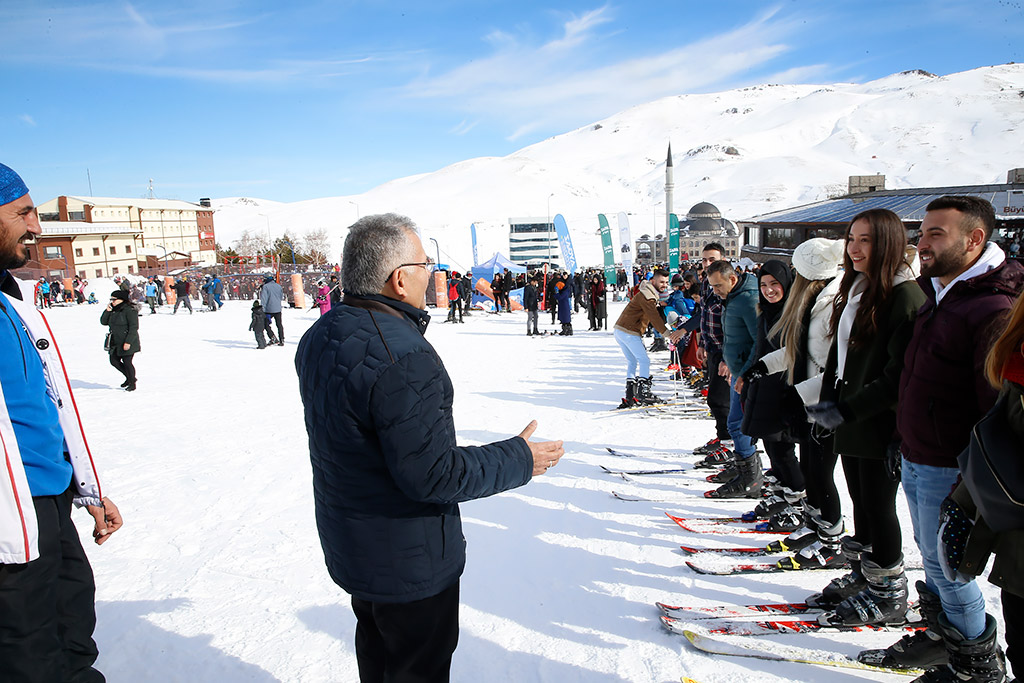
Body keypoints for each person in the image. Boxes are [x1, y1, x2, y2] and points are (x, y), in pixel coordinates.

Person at [294, 213, 564, 683]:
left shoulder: (323, 332)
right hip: (406, 556)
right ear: (400, 280)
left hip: (358, 545)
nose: (431, 272)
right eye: (426, 263)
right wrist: (519, 458)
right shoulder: (403, 354)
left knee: (378, 658)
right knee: (417, 668)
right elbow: (432, 474)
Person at [859, 196, 1023, 679]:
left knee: (950, 573)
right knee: (934, 566)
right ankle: (945, 642)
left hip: (950, 468)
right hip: (918, 454)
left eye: (936, 234)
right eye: (922, 232)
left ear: (974, 240)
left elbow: (994, 411)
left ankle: (974, 664)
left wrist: (967, 488)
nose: (922, 243)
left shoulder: (990, 307)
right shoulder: (942, 294)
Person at [0, 162, 123, 682]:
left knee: (74, 631)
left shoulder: (13, 301)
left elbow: (48, 409)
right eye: (24, 213)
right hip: (9, 518)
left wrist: (88, 491)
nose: (37, 227)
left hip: (50, 503)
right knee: (29, 658)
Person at [807, 208, 926, 627]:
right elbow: (840, 359)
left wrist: (845, 409)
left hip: (879, 419)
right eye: (852, 239)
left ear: (889, 243)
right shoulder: (859, 286)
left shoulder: (904, 294)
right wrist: (826, 406)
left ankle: (890, 593)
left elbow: (898, 375)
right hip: (850, 414)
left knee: (879, 504)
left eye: (866, 241)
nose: (855, 249)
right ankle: (865, 577)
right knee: (861, 500)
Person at [749, 239, 847, 567]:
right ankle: (817, 526)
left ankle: (831, 540)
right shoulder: (811, 301)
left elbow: (834, 367)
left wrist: (798, 394)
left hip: (826, 405)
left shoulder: (833, 303)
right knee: (810, 469)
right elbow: (798, 350)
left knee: (821, 474)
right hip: (809, 402)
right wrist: (764, 365)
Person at [703, 260, 762, 498]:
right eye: (712, 287)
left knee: (737, 424)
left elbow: (758, 340)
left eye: (718, 286)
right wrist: (728, 361)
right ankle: (744, 470)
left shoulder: (747, 300)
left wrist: (745, 372)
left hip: (747, 373)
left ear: (733, 279)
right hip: (737, 368)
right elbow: (734, 336)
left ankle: (750, 478)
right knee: (736, 423)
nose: (714, 291)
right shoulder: (732, 298)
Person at [612, 269, 684, 408]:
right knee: (644, 360)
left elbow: (654, 313)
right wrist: (668, 334)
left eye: (665, 282)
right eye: (661, 282)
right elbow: (654, 318)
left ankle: (630, 394)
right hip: (629, 331)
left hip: (621, 330)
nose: (664, 285)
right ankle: (643, 392)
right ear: (653, 281)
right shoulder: (648, 295)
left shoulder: (648, 293)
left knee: (632, 361)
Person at [693, 243, 733, 464]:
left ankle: (729, 445)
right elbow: (704, 315)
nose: (708, 264)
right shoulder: (706, 284)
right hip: (713, 348)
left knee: (721, 400)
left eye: (712, 260)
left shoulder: (727, 284)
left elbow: (732, 323)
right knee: (715, 400)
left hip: (726, 351)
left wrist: (727, 357)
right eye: (705, 260)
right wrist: (701, 344)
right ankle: (722, 438)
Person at [101, 289, 141, 391]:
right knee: (114, 361)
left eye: (114, 299)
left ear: (121, 299)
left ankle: (132, 383)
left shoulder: (130, 310)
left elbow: (133, 327)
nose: (112, 301)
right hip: (115, 340)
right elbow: (103, 322)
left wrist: (128, 342)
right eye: (111, 299)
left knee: (127, 362)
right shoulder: (114, 310)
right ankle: (130, 377)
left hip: (127, 340)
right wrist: (107, 311)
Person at [259, 274, 284, 345]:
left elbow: (264, 298)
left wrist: (262, 308)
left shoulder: (266, 287)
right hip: (278, 308)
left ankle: (272, 337)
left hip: (269, 309)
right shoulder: (278, 286)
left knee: (266, 324)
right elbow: (281, 296)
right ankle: (282, 339)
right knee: (279, 324)